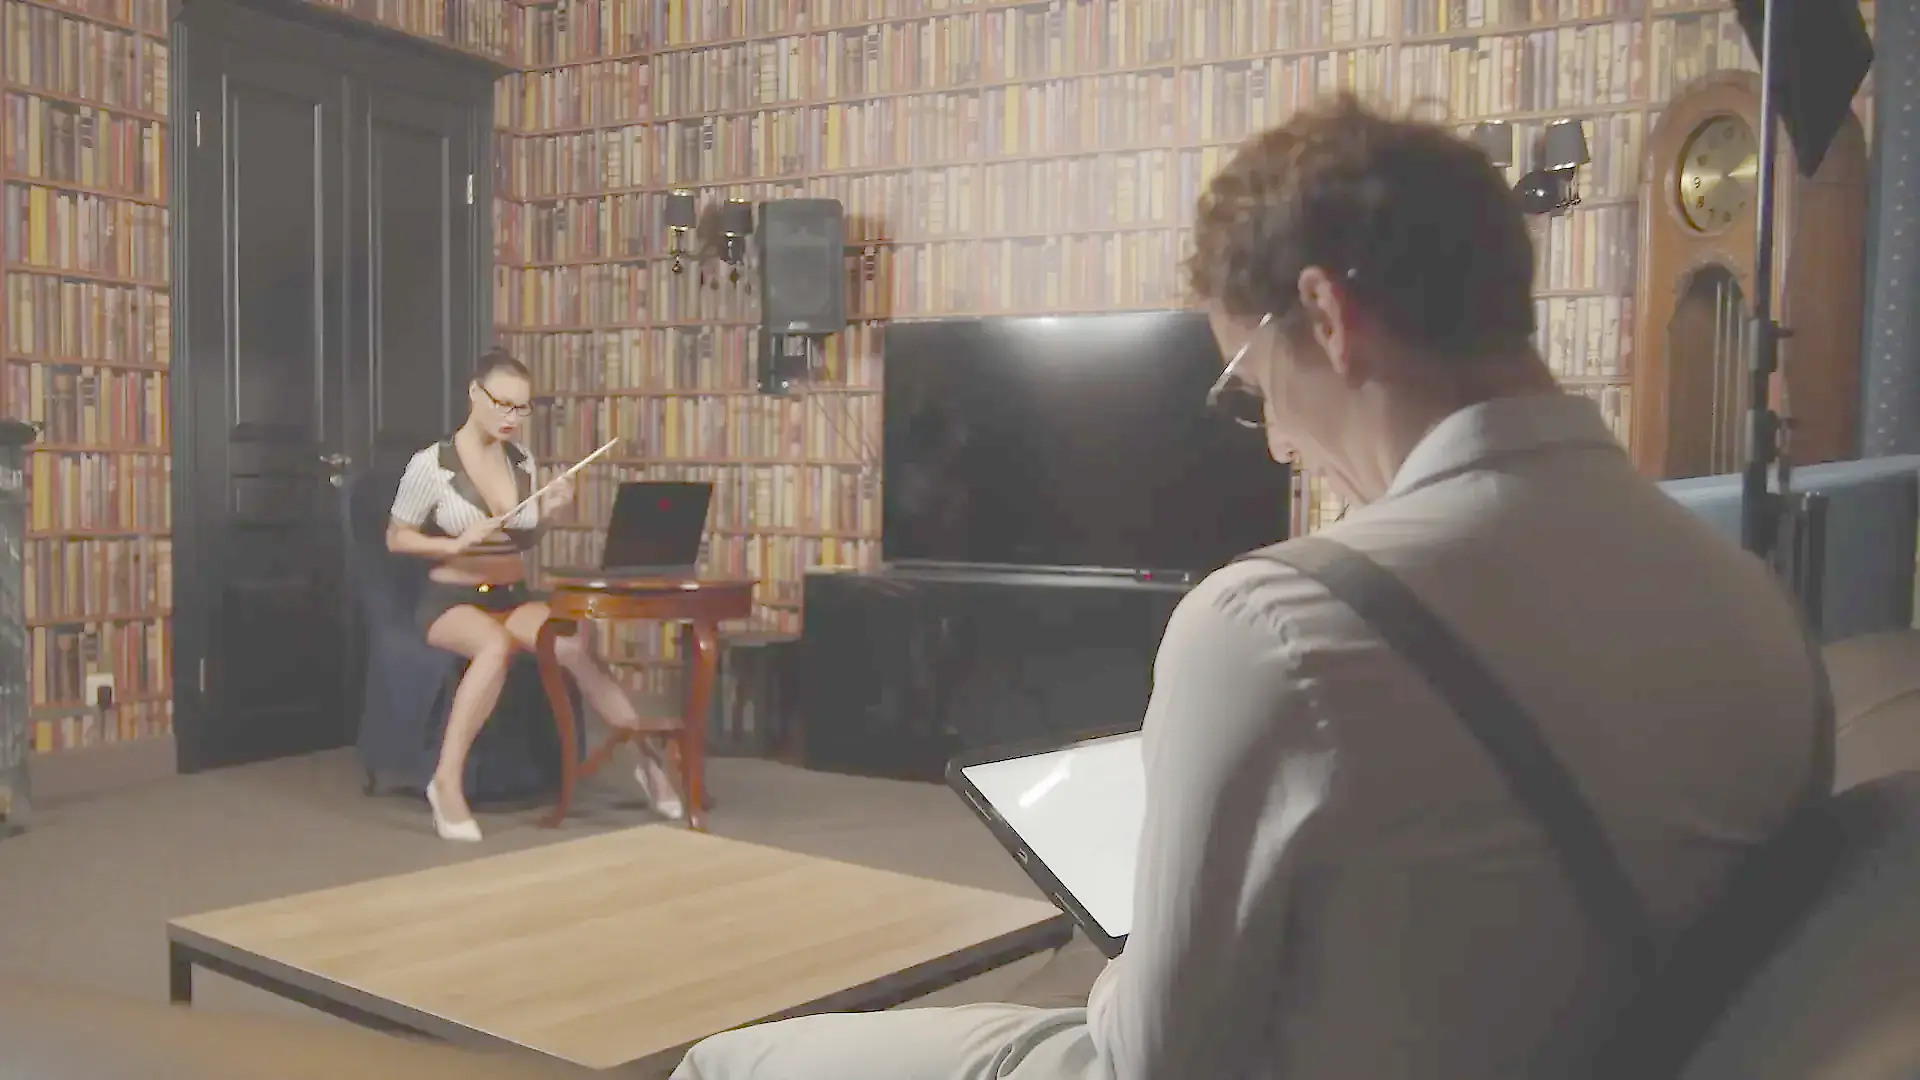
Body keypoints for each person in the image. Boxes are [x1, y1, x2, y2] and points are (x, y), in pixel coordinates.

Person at [668, 96, 1826, 1079]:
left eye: (1255, 387)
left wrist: (1136, 952)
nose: (1275, 441)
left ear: (1328, 315)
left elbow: (1150, 1062)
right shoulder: (1755, 606)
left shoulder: (1276, 624)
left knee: (728, 1061)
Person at [387, 347, 680, 842]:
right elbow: (396, 538)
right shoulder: (431, 464)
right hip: (451, 599)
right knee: (494, 646)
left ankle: (646, 762)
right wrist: (453, 543)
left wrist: (551, 513)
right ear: (474, 393)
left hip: (510, 594)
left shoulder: (521, 460)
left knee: (572, 643)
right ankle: (446, 782)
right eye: (502, 404)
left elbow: (522, 538)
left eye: (521, 408)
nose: (512, 417)